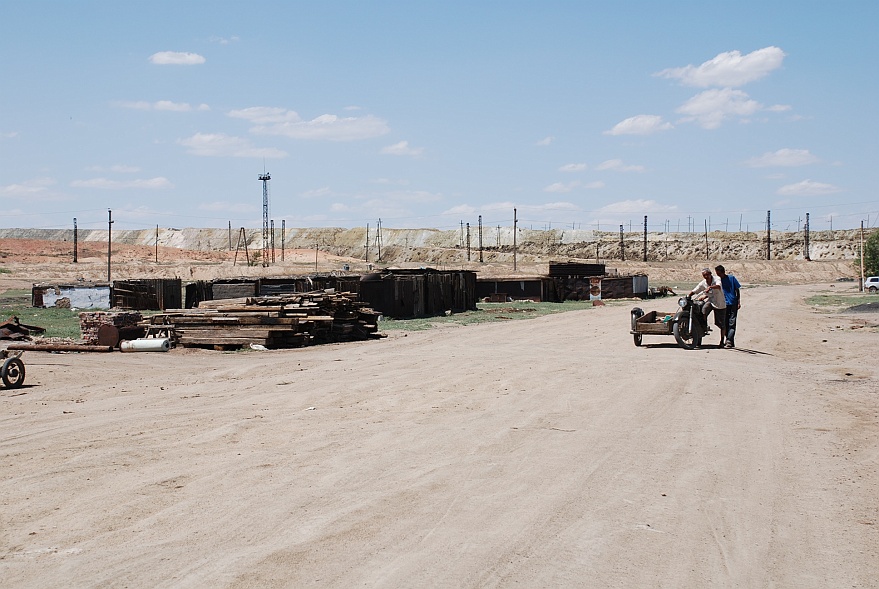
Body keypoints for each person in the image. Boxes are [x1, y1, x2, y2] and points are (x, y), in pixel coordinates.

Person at [688, 267, 727, 348]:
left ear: (710, 274)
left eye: (707, 275)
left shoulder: (717, 279)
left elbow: (718, 286)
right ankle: (703, 327)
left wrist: (711, 287)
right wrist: (688, 296)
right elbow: (696, 290)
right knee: (703, 311)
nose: (706, 276)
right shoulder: (703, 283)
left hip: (720, 303)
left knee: (720, 323)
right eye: (704, 275)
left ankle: (722, 340)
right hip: (711, 301)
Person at [715, 264, 741, 348]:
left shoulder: (731, 278)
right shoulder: (718, 281)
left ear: (723, 272)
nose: (718, 275)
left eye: (719, 274)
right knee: (724, 323)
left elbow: (737, 290)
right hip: (723, 304)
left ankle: (729, 340)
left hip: (732, 303)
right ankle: (729, 340)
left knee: (732, 322)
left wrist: (738, 302)